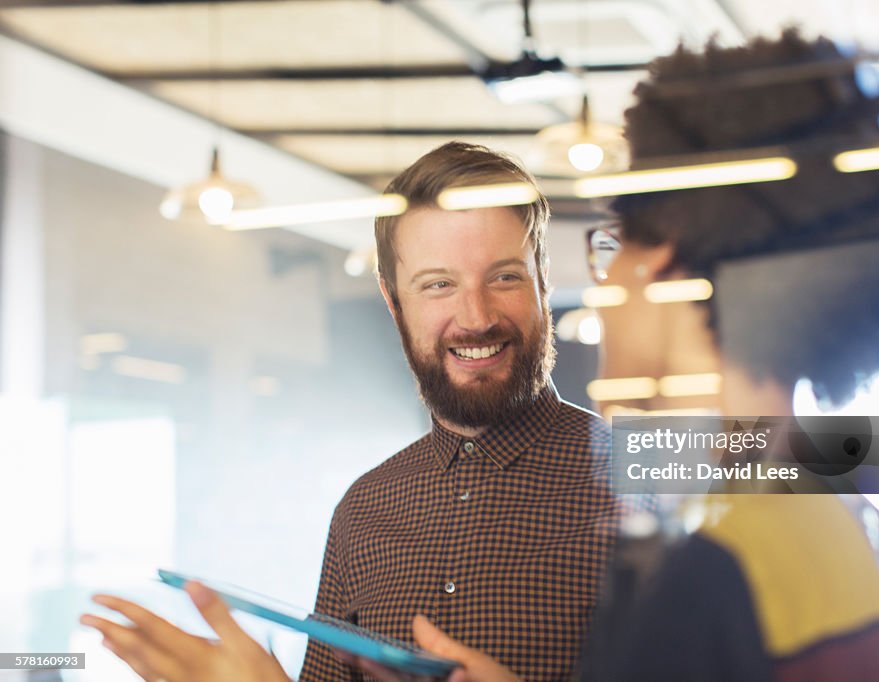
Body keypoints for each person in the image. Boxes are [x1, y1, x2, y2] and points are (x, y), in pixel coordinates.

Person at [84, 30, 879, 682]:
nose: (607, 278)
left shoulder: (709, 550)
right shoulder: (845, 528)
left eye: (618, 244)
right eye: (437, 285)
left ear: (663, 265)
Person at [81, 142, 619, 682]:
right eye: (438, 285)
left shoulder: (664, 468)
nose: (475, 317)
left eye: (504, 277)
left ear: (543, 281)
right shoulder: (362, 509)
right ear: (394, 302)